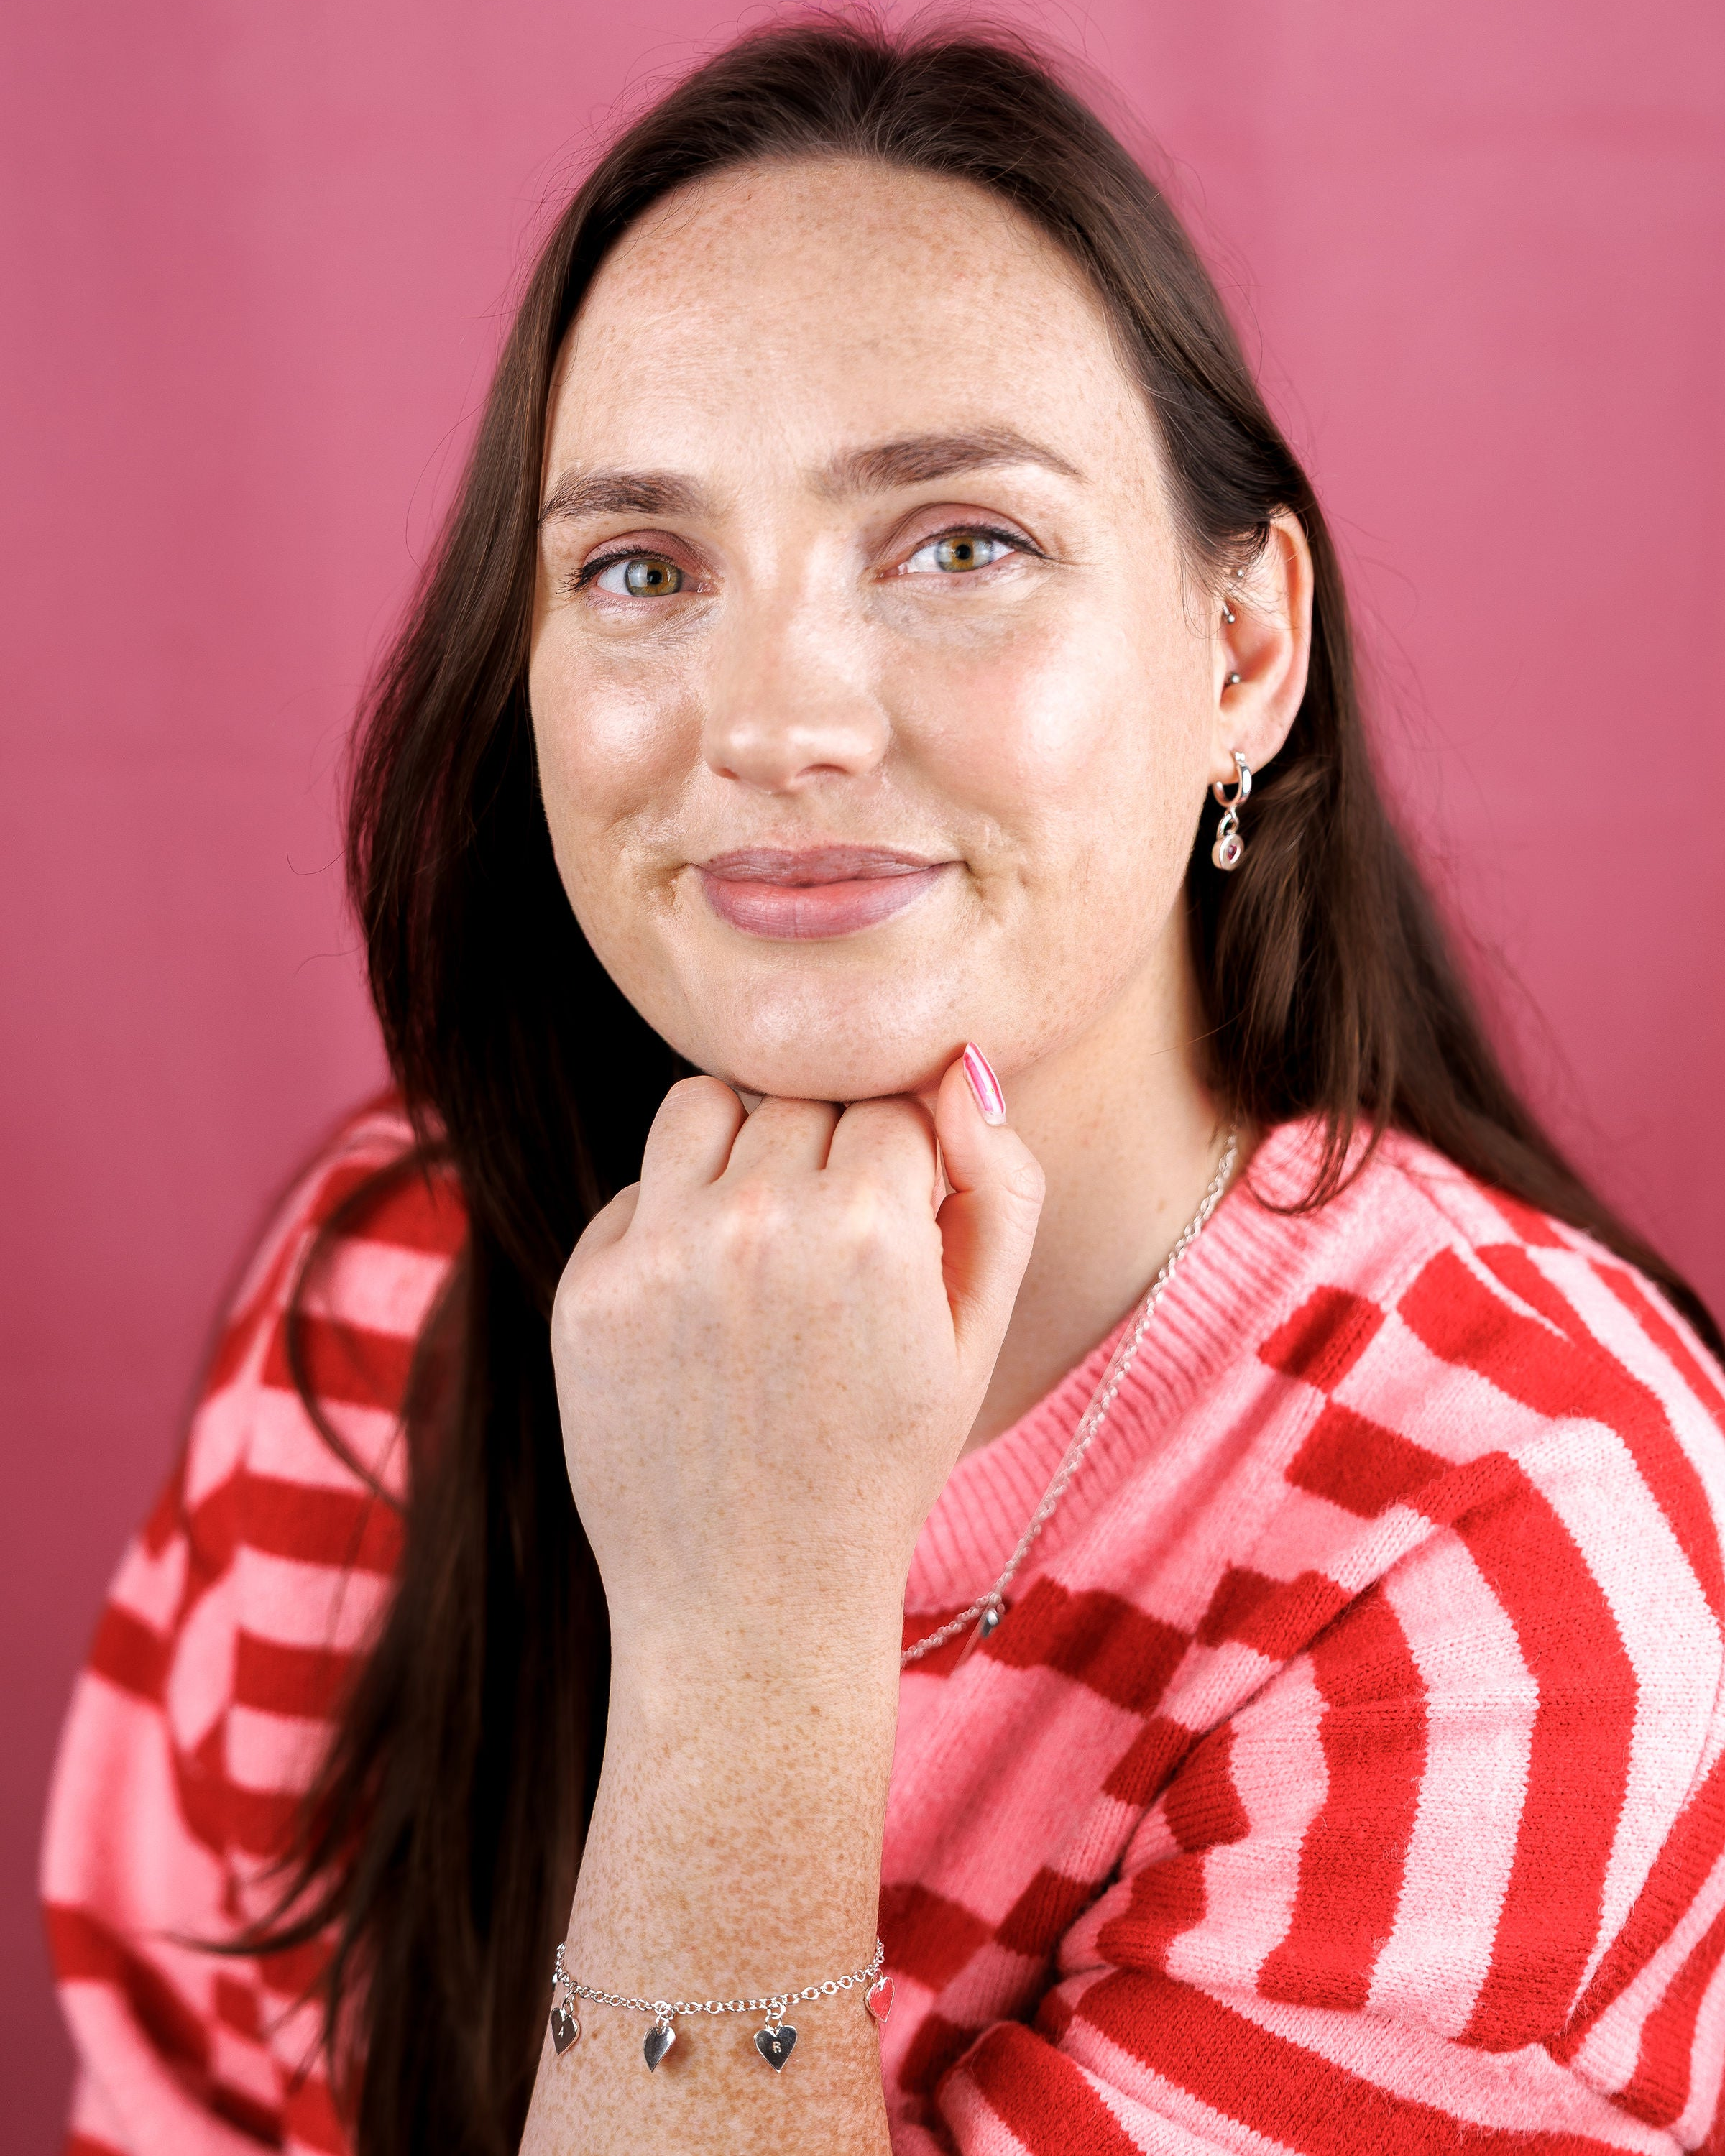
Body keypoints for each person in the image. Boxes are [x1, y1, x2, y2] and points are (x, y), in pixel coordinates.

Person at [40, 19, 1725, 2156]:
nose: (779, 721)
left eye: (961, 545)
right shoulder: (386, 1293)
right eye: (642, 570)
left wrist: (748, 1647)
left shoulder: (1527, 1550)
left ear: (1244, 655)